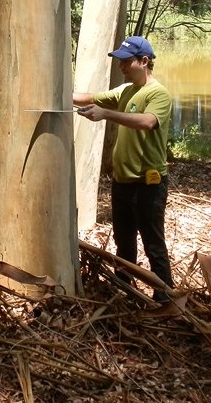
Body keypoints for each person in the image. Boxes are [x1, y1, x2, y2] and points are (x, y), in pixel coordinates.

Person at [74, 35, 174, 300]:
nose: (122, 67)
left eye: (126, 62)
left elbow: (147, 122)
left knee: (153, 243)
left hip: (148, 183)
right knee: (124, 241)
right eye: (120, 62)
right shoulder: (125, 91)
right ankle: (125, 290)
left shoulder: (158, 94)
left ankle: (165, 297)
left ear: (144, 61)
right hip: (123, 182)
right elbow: (91, 97)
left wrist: (106, 114)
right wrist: (58, 93)